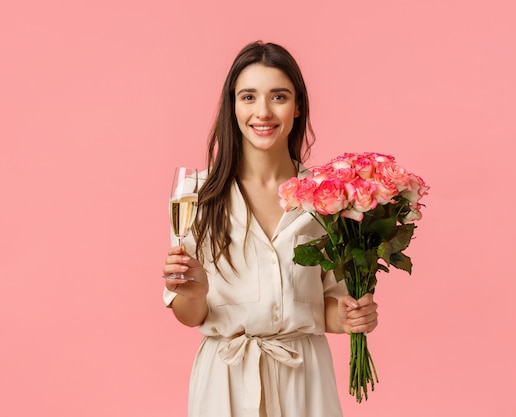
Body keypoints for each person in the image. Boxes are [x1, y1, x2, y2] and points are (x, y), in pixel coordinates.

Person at [162, 41, 379, 417]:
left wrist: (349, 317)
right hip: (225, 379)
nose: (262, 111)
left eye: (278, 96)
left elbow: (326, 304)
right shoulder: (195, 194)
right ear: (233, 107)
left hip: (304, 378)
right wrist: (193, 292)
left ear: (298, 108)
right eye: (248, 97)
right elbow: (190, 314)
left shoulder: (326, 197)